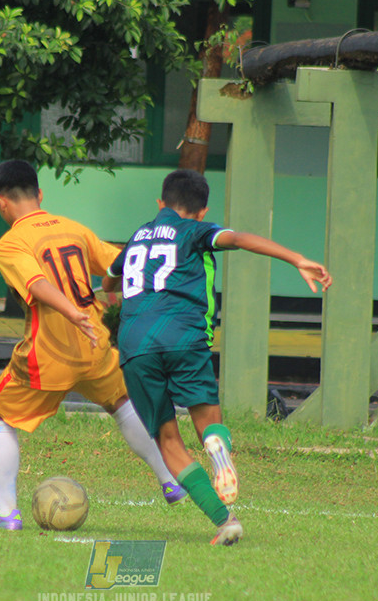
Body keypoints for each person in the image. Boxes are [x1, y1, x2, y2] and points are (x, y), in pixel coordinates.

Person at [103, 168, 332, 546]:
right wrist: (296, 259)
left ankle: (225, 521)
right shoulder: (196, 230)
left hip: (135, 342)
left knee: (167, 440)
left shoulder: (135, 239)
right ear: (201, 209)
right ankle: (215, 444)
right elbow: (239, 238)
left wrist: (112, 296)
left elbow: (110, 280)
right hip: (183, 334)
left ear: (160, 203)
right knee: (208, 422)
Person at [0, 160, 186, 530]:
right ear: (39, 194)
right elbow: (123, 263)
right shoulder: (73, 229)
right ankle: (170, 480)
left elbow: (38, 284)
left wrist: (70, 312)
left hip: (51, 350)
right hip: (97, 344)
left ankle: (7, 513)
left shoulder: (9, 244)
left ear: (1, 203)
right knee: (122, 403)